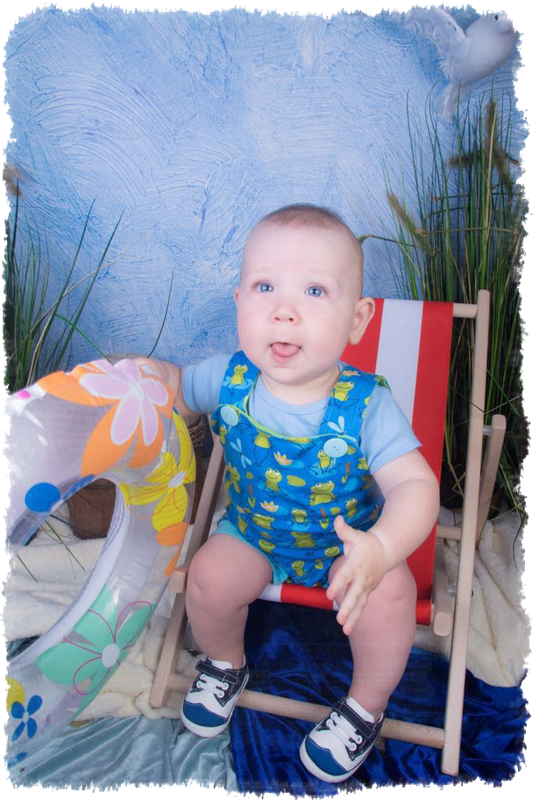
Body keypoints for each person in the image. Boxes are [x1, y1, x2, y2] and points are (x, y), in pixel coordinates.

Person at [139, 204, 439, 783]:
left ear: (357, 320)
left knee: (391, 596)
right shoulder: (228, 377)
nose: (284, 310)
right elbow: (173, 389)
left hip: (348, 548)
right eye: (265, 287)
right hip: (255, 533)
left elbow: (415, 485)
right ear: (238, 301)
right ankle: (225, 662)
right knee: (208, 578)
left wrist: (379, 549)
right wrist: (141, 374)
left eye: (315, 291)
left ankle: (365, 707)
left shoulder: (367, 405)